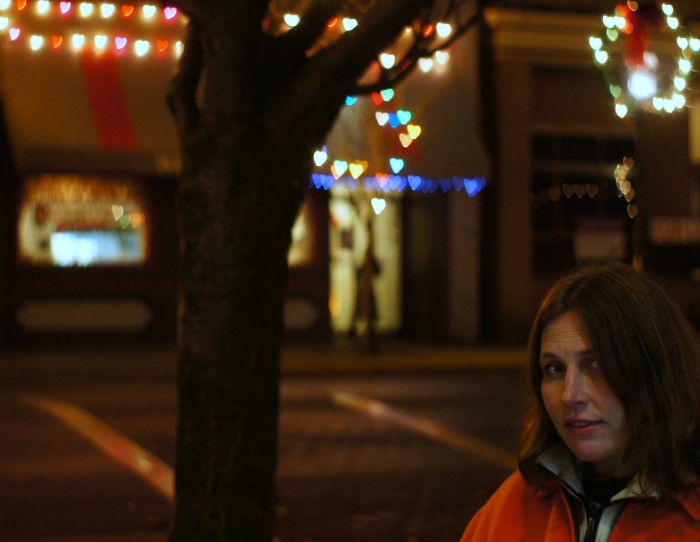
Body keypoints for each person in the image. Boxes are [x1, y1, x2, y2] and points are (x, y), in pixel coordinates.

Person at [460, 262, 700, 541]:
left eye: (596, 364)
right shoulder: (513, 504)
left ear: (655, 370)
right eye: (554, 369)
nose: (570, 395)